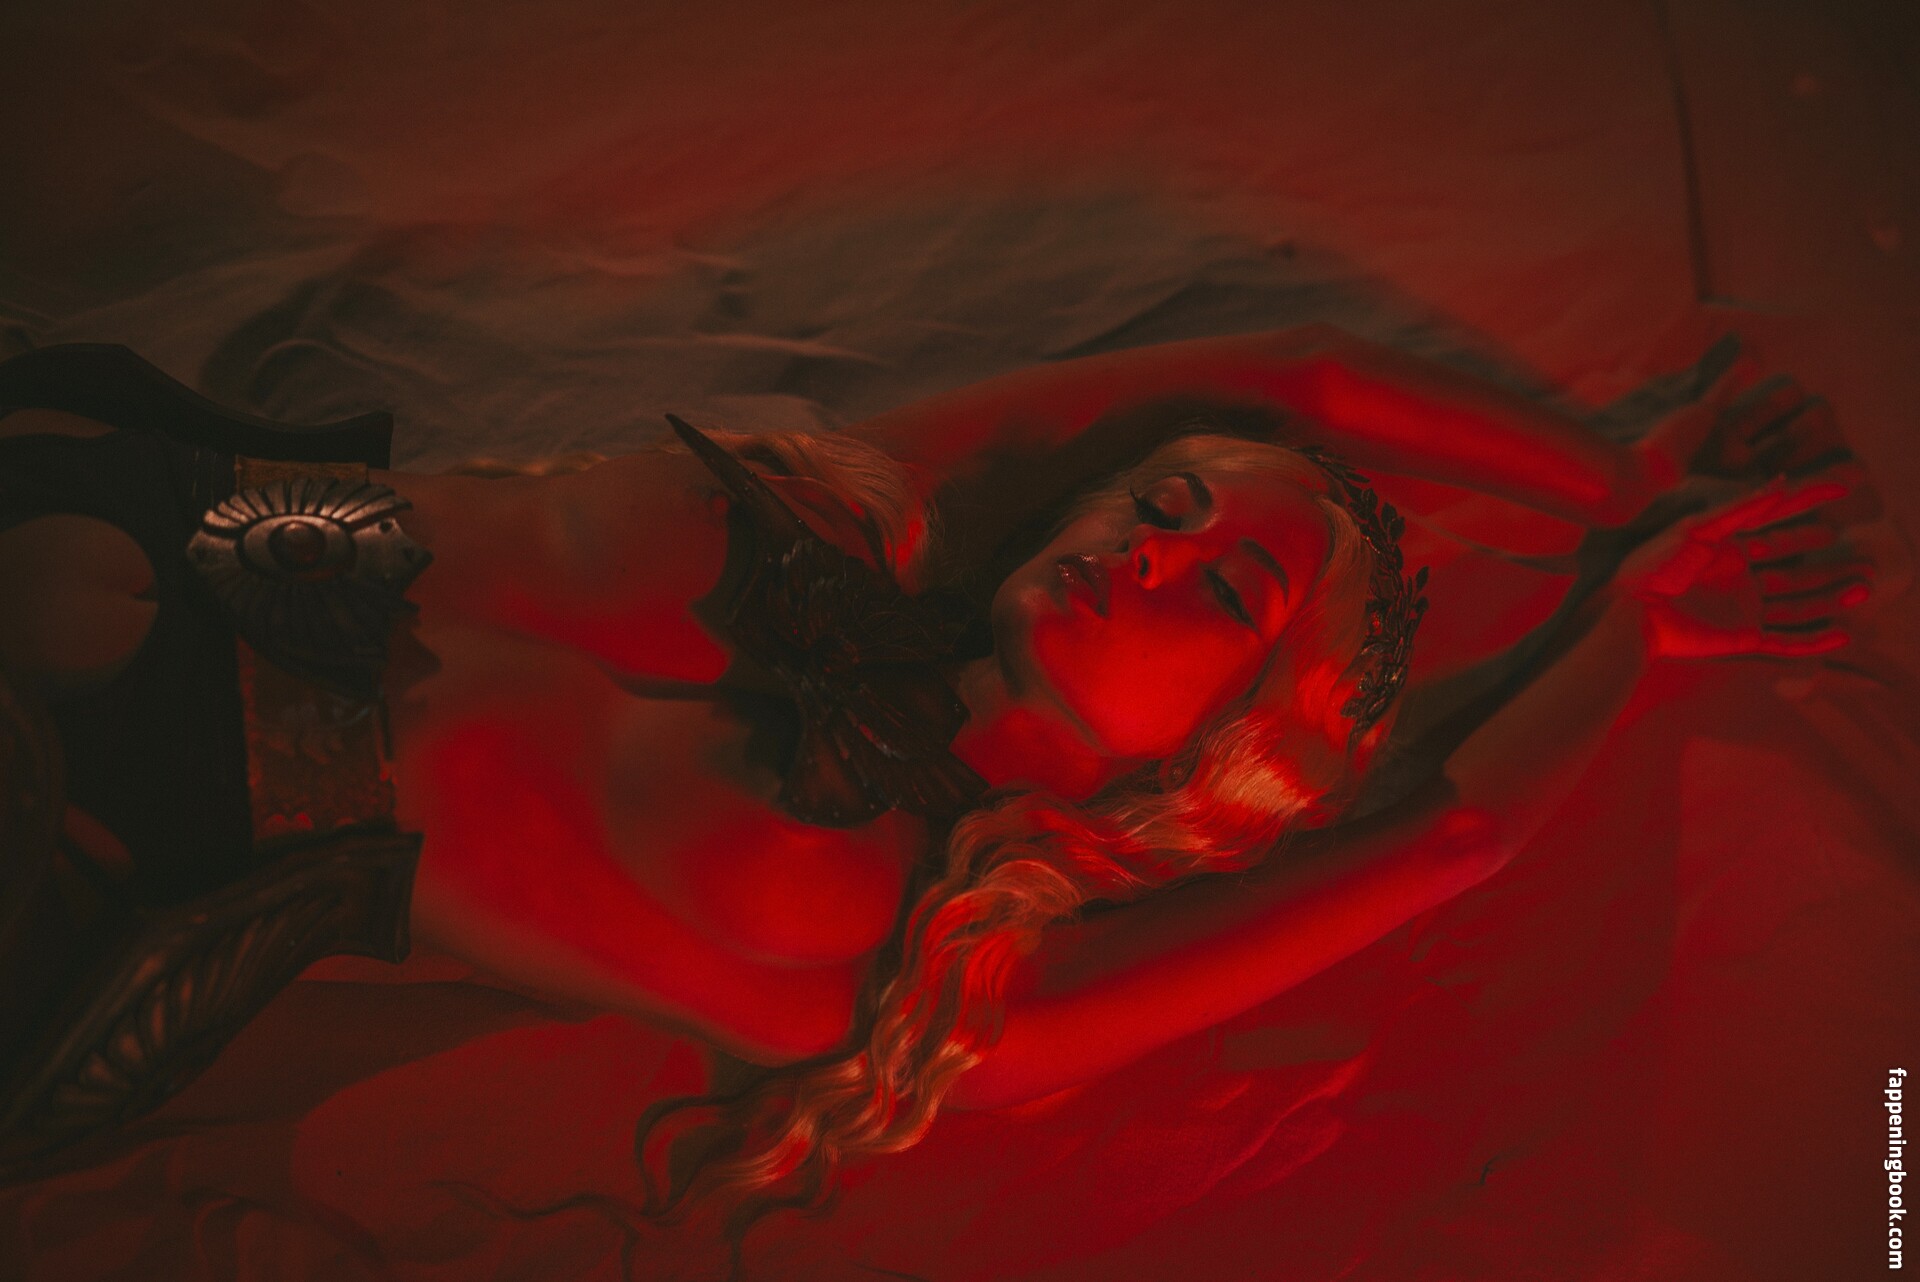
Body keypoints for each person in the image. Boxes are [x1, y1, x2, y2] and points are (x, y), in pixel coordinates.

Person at [0, 327, 1875, 1227]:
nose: (1151, 544)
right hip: (139, 500)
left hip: (125, 796)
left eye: (1223, 592)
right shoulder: (882, 531)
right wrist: (1624, 476)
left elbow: (1458, 827)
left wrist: (1636, 627)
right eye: (1160, 502)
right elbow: (1297, 379)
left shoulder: (960, 967)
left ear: (1238, 753)